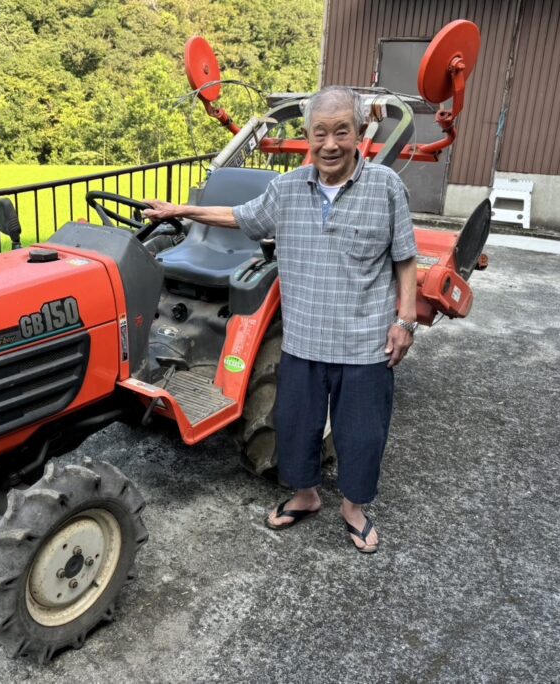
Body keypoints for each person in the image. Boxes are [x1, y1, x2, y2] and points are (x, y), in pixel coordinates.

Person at [143, 86, 418, 553]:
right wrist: (183, 211)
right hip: (303, 339)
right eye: (320, 133)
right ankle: (306, 496)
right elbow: (240, 215)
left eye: (341, 132)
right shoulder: (288, 189)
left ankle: (354, 508)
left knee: (362, 432)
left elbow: (405, 258)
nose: (330, 144)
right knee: (295, 425)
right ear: (309, 136)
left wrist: (405, 320)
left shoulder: (386, 187)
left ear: (358, 134)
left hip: (365, 340)